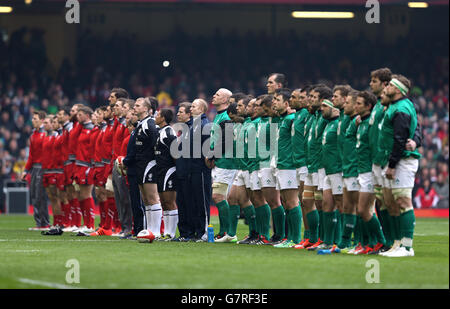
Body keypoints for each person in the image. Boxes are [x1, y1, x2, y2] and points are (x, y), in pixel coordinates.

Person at [379, 74, 422, 257]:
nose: (385, 88)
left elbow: (399, 138)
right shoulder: (396, 106)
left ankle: (406, 246)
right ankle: (398, 245)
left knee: (403, 201)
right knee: (393, 203)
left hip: (402, 161)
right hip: (396, 160)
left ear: (397, 90)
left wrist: (392, 164)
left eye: (389, 86)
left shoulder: (402, 108)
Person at [354, 91, 386, 255]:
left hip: (369, 171)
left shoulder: (371, 125)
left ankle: (380, 241)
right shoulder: (361, 123)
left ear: (368, 106)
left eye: (359, 103)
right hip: (361, 170)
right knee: (363, 210)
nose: (355, 106)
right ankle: (373, 243)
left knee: (364, 210)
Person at [205, 88, 238, 242]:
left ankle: (227, 232)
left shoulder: (226, 116)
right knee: (221, 196)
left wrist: (212, 155)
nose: (214, 95)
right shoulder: (218, 116)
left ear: (226, 100)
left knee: (218, 196)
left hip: (227, 162)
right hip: (220, 161)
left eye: (217, 94)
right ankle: (225, 232)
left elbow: (226, 141)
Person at [272, 88, 302, 248]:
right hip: (281, 164)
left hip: (289, 165)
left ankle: (295, 238)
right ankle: (289, 237)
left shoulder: (292, 119)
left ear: (286, 103)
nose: (274, 102)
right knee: (285, 201)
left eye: (277, 100)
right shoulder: (283, 119)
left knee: (291, 202)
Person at [316, 98, 343, 253]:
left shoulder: (339, 123)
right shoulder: (329, 124)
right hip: (328, 170)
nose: (322, 109)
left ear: (335, 109)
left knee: (341, 205)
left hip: (338, 170)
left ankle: (340, 242)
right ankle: (327, 241)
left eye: (325, 106)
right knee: (327, 204)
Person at [134, 97, 161, 238]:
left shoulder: (150, 123)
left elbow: (155, 143)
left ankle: (156, 231)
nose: (134, 107)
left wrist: (156, 162)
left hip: (149, 165)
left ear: (145, 109)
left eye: (137, 106)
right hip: (140, 165)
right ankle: (149, 230)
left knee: (152, 197)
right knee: (145, 199)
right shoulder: (141, 123)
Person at [154, 108, 179, 241]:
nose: (156, 117)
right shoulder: (160, 132)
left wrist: (176, 170)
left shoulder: (169, 133)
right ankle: (166, 233)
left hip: (169, 171)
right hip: (160, 171)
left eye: (158, 115)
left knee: (169, 201)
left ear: (163, 118)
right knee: (163, 202)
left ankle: (171, 233)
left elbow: (175, 154)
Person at [22, 111, 49, 230]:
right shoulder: (33, 135)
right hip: (34, 168)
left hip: (43, 167)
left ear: (42, 120)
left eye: (35, 118)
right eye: (33, 118)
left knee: (40, 195)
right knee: (34, 195)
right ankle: (39, 223)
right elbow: (31, 156)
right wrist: (26, 170)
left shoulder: (46, 134)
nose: (33, 120)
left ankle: (45, 223)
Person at [111, 98, 133, 238]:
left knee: (126, 198)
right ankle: (124, 226)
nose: (120, 109)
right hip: (117, 162)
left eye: (123, 106)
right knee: (120, 198)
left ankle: (129, 227)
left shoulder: (128, 127)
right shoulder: (119, 124)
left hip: (124, 164)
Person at [73, 105, 97, 233]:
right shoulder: (80, 128)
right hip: (79, 165)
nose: (77, 117)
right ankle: (85, 223)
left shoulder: (92, 129)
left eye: (80, 114)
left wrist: (91, 165)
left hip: (87, 165)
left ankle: (90, 224)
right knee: (81, 196)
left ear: (87, 115)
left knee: (86, 194)